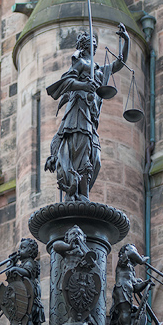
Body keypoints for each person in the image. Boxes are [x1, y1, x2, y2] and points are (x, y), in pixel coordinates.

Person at [45, 24, 129, 201]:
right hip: (78, 113)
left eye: (94, 40)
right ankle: (79, 194)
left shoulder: (99, 69)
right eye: (89, 40)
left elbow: (119, 63)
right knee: (81, 155)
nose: (93, 41)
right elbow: (67, 81)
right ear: (83, 46)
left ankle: (82, 193)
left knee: (95, 158)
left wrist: (125, 41)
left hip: (90, 117)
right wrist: (84, 85)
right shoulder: (81, 63)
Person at [109, 243, 152, 325]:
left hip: (126, 290)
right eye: (134, 251)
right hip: (121, 289)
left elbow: (136, 288)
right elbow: (129, 253)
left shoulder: (130, 270)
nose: (135, 253)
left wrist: (146, 283)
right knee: (125, 311)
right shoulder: (122, 262)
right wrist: (140, 260)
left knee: (127, 310)